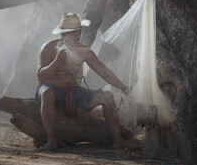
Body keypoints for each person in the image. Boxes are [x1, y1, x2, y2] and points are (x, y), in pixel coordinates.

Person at [35, 12, 133, 151]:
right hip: (51, 89)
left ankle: (118, 140)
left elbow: (104, 72)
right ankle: (51, 141)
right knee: (47, 93)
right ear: (64, 33)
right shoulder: (48, 47)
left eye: (78, 31)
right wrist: (57, 62)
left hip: (74, 92)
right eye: (74, 32)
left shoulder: (84, 51)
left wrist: (123, 87)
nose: (77, 35)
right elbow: (40, 76)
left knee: (107, 97)